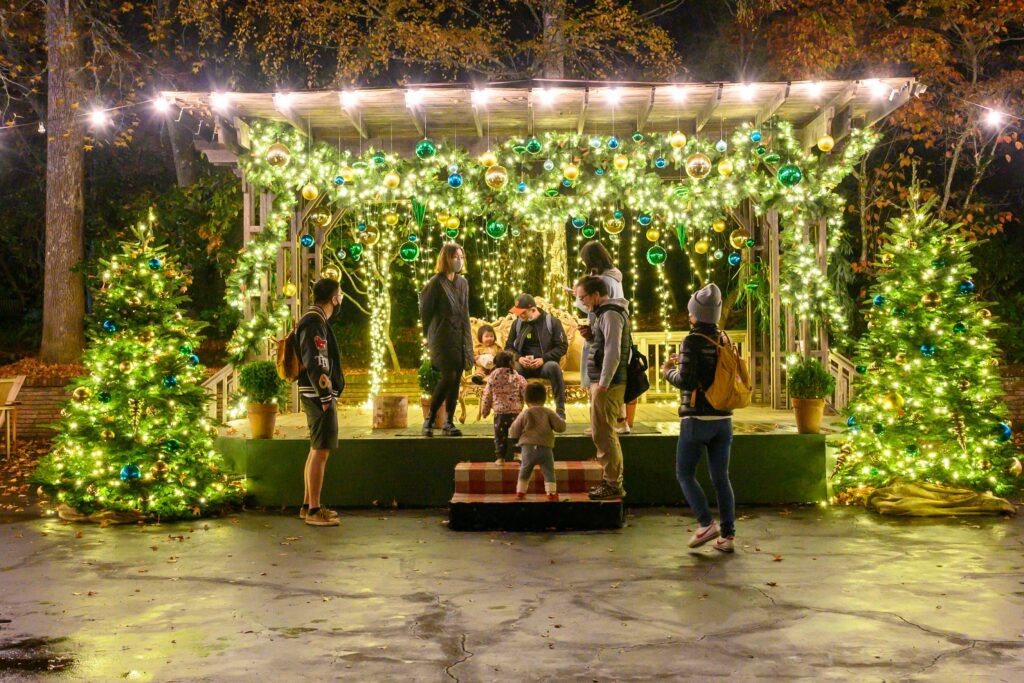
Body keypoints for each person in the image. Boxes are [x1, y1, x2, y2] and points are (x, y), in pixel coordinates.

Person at [662, 283, 736, 553]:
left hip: (697, 420)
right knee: (721, 478)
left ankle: (706, 523)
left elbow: (688, 381)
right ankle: (728, 537)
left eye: (691, 311)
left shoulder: (692, 340)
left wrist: (668, 370)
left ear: (697, 313)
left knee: (684, 473)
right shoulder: (724, 338)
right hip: (724, 419)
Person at [574, 275, 630, 500]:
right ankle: (611, 481)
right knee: (601, 432)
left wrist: (604, 383)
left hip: (609, 384)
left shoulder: (611, 314)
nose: (581, 302)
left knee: (605, 433)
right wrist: (590, 337)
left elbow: (613, 352)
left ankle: (612, 483)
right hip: (603, 382)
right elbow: (601, 347)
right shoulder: (602, 314)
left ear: (596, 295)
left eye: (583, 297)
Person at [297, 278, 345, 527]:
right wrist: (326, 396)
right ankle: (315, 510)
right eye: (339, 295)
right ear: (333, 298)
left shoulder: (315, 319)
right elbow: (317, 360)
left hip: (316, 393)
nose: (340, 300)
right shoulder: (314, 321)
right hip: (318, 395)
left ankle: (308, 505)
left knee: (316, 449)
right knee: (321, 451)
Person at [572, 241, 631, 434]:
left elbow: (611, 350)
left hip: (602, 337)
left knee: (601, 384)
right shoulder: (615, 277)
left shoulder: (604, 285)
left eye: (584, 296)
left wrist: (577, 297)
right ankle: (620, 422)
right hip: (602, 335)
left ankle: (601, 425)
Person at [419, 242, 474, 437]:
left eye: (461, 257)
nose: (459, 261)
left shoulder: (462, 283)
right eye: (455, 257)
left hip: (459, 336)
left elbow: (465, 312)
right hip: (442, 337)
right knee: (448, 376)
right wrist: (427, 337)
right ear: (446, 259)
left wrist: (468, 338)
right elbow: (425, 312)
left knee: (456, 379)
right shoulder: (435, 283)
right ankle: (431, 417)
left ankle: (449, 422)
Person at [504, 293, 569, 420]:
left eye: (522, 313)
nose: (519, 316)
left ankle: (560, 411)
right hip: (523, 365)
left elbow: (562, 347)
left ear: (533, 310)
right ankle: (514, 412)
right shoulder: (517, 324)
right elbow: (508, 347)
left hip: (545, 364)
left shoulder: (552, 322)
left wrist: (543, 359)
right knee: (512, 370)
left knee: (554, 367)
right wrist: (518, 358)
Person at [508, 382, 566, 500]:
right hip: (545, 448)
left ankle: (520, 491)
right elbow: (561, 427)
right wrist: (561, 417)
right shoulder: (548, 412)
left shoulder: (525, 413)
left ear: (526, 398)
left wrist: (517, 436)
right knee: (549, 471)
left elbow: (513, 431)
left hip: (528, 448)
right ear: (544, 398)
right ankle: (551, 492)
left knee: (525, 469)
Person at [480, 351, 527, 464]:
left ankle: (500, 457)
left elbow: (487, 394)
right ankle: (518, 454)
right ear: (511, 363)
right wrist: (530, 405)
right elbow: (525, 389)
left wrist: (484, 410)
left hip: (500, 413)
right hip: (515, 412)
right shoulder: (516, 376)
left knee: (500, 436)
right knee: (517, 434)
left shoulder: (492, 376)